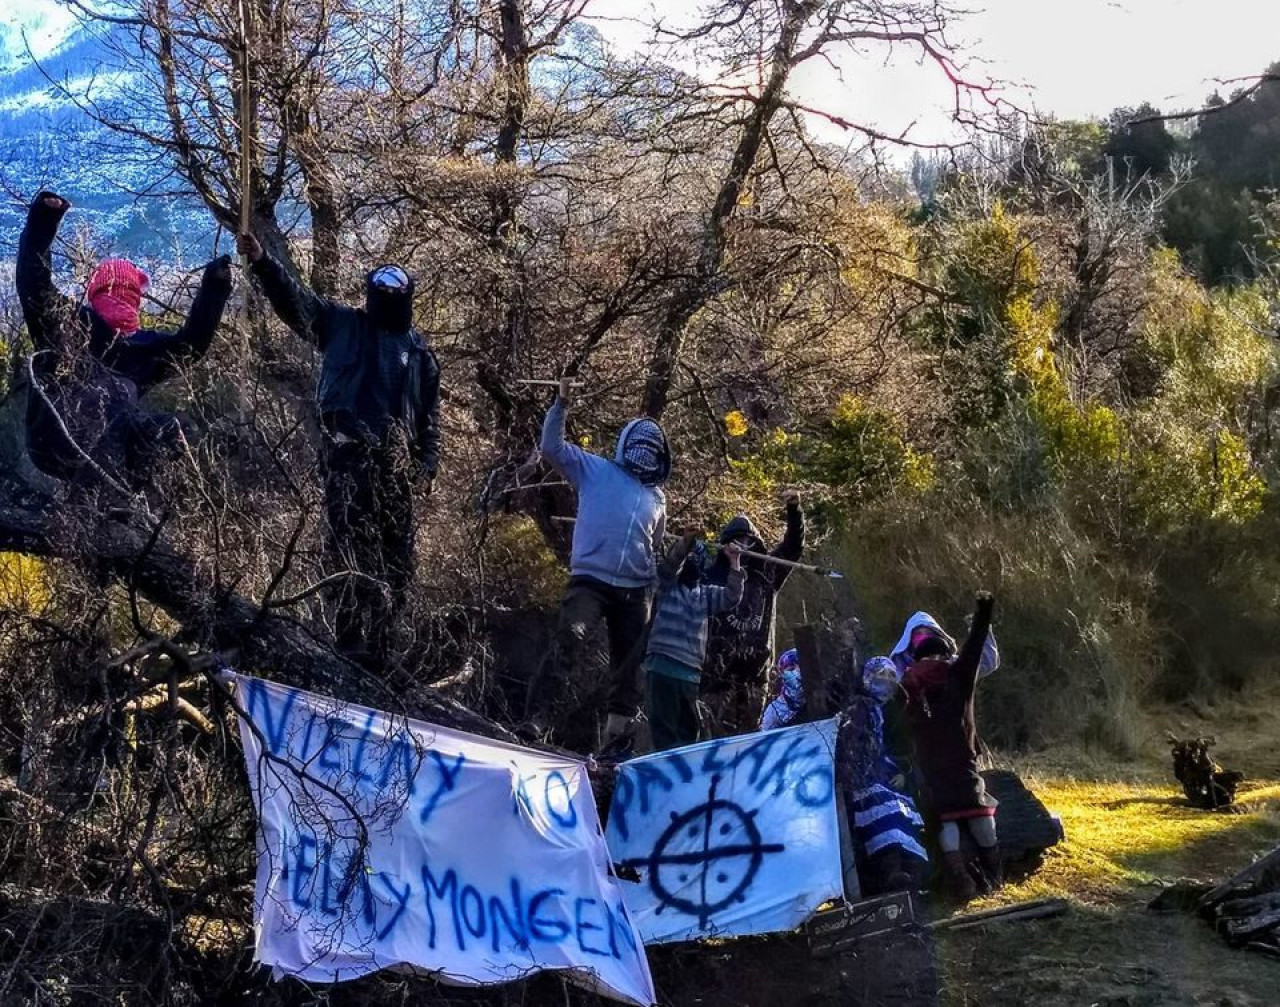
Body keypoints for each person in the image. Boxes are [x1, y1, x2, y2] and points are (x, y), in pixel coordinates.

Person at [236, 232, 440, 662]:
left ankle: (385, 644)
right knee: (347, 544)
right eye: (379, 292)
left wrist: (426, 464)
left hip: (397, 466)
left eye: (392, 294)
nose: (384, 300)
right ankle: (349, 639)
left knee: (396, 555)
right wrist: (262, 261)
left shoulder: (420, 354)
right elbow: (296, 301)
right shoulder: (342, 324)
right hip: (348, 455)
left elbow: (428, 419)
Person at [17, 191, 232, 486]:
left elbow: (33, 283)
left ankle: (123, 500)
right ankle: (114, 505)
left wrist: (215, 285)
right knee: (129, 408)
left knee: (170, 430)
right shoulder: (83, 329)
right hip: (65, 442)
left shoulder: (77, 325)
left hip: (78, 449)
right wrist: (215, 286)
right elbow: (192, 346)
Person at [534, 376, 670, 746]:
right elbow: (551, 447)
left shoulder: (657, 498)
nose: (645, 452)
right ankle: (536, 721)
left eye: (651, 448)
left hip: (635, 590)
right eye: (640, 445)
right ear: (626, 444)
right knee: (569, 638)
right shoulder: (594, 469)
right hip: (590, 581)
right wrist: (560, 404)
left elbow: (654, 545)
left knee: (628, 669)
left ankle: (615, 740)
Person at [900, 592, 999, 900]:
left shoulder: (904, 683)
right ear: (945, 653)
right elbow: (975, 647)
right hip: (962, 760)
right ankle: (993, 875)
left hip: (929, 766)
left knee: (947, 818)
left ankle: (959, 876)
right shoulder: (957, 674)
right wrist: (984, 611)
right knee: (979, 814)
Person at [702, 492, 804, 735]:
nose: (743, 548)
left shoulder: (767, 573)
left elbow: (792, 547)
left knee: (748, 739)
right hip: (717, 677)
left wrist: (794, 510)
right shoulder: (713, 575)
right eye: (737, 541)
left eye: (749, 542)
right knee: (713, 739)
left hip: (755, 675)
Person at [644, 536, 744, 752]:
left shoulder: (705, 595)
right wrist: (684, 545)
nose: (693, 564)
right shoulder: (667, 587)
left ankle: (684, 777)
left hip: (689, 675)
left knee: (687, 735)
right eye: (690, 559)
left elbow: (732, 596)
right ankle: (665, 775)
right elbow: (669, 567)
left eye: (697, 560)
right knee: (664, 733)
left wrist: (734, 561)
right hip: (661, 667)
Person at [839, 656, 929, 895]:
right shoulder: (858, 708)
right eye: (881, 675)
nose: (886, 681)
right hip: (864, 777)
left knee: (903, 815)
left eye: (891, 675)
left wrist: (902, 771)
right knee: (882, 816)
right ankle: (891, 872)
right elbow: (853, 746)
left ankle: (911, 875)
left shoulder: (893, 708)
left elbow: (902, 745)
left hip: (889, 773)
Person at [889, 610, 1000, 681]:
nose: (924, 639)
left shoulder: (950, 665)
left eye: (929, 634)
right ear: (909, 640)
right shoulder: (897, 672)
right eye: (918, 635)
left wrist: (980, 629)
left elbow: (987, 663)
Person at [758, 649, 805, 731]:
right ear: (782, 674)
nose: (798, 672)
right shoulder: (774, 711)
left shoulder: (823, 696)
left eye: (801, 667)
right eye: (791, 669)